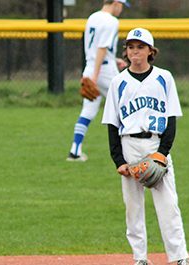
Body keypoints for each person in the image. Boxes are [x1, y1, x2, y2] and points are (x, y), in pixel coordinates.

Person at [101, 28, 189, 265]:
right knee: (133, 207)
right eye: (131, 47)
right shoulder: (118, 82)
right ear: (126, 52)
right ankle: (139, 259)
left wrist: (163, 152)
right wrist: (118, 160)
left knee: (169, 204)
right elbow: (112, 123)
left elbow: (171, 118)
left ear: (151, 51)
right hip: (129, 145)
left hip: (156, 145)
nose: (135, 52)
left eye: (140, 47)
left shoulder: (164, 78)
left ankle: (181, 258)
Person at [66, 0, 130, 162]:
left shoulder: (93, 17)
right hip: (103, 71)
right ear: (115, 3)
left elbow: (97, 49)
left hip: (91, 67)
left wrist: (113, 59)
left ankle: (75, 151)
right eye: (122, 5)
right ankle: (131, 150)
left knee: (88, 110)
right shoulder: (111, 21)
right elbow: (102, 47)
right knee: (128, 104)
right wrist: (96, 76)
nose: (121, 9)